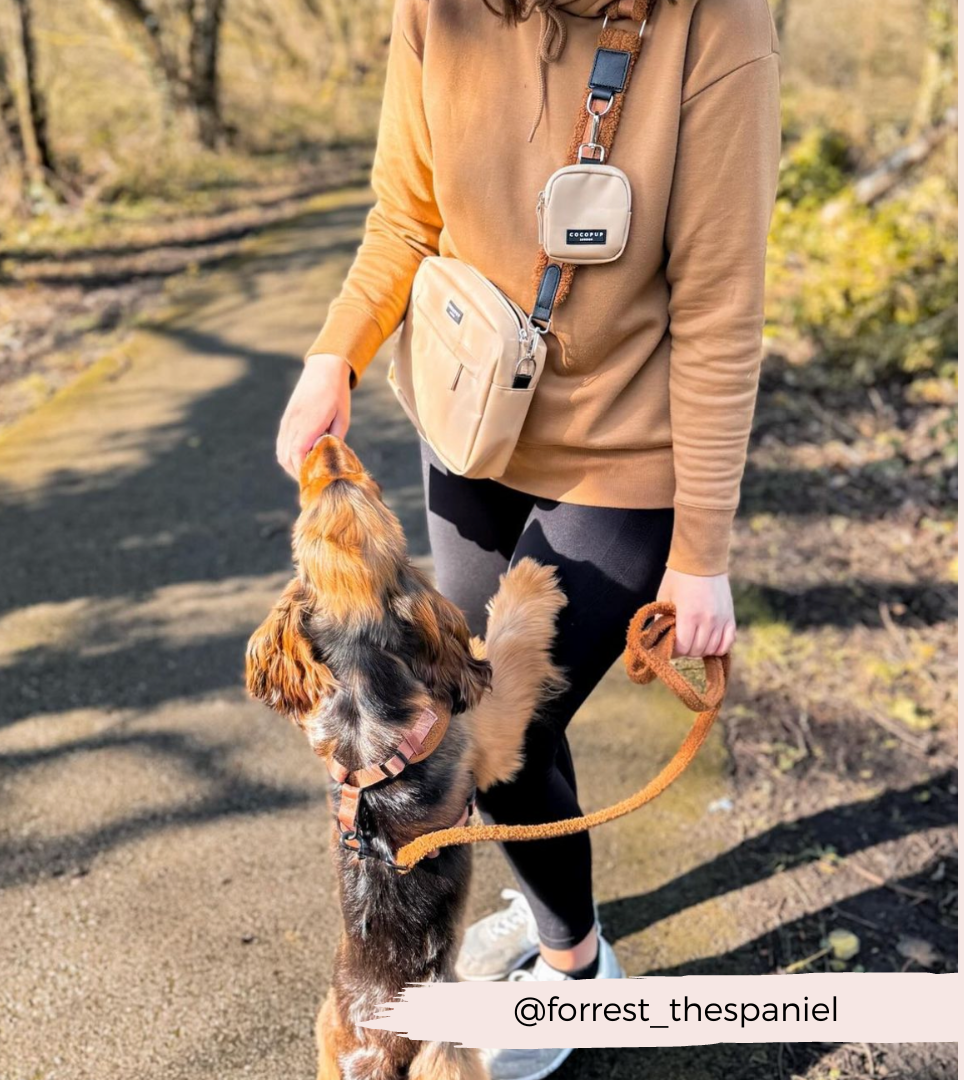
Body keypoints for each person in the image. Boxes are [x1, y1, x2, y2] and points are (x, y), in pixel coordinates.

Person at [277, 0, 780, 1075]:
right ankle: (561, 937)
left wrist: (701, 552)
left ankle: (575, 974)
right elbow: (404, 219)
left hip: (625, 452)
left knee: (488, 742)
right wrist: (336, 357)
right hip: (468, 426)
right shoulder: (438, 10)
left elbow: (722, 304)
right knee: (466, 729)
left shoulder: (717, 27)